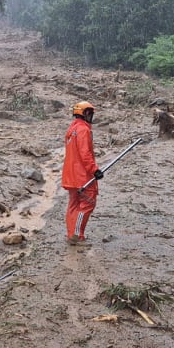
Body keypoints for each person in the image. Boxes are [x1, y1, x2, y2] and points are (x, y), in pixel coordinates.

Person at [62, 101, 103, 244]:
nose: (91, 116)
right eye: (90, 113)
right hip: (82, 177)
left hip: (71, 176)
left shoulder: (71, 130)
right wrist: (95, 170)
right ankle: (77, 235)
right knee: (87, 204)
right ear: (85, 113)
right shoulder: (83, 130)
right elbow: (85, 154)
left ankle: (71, 234)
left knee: (73, 205)